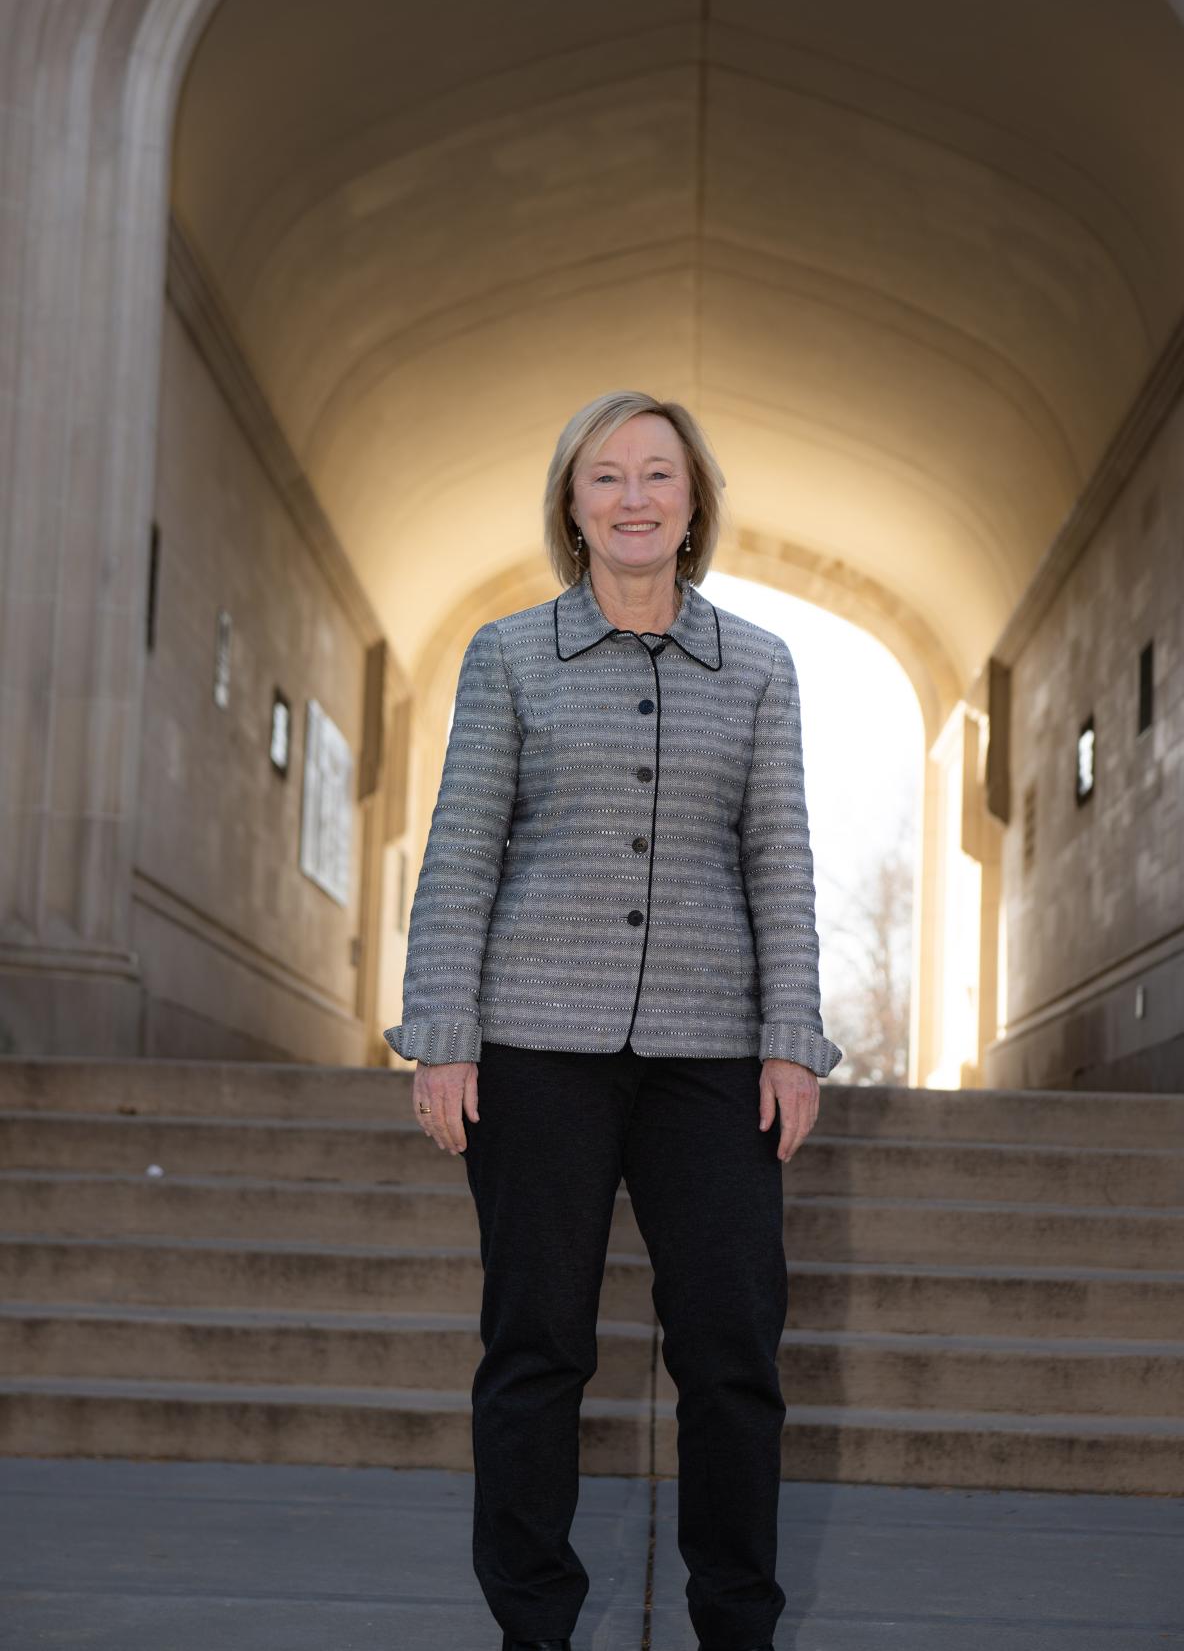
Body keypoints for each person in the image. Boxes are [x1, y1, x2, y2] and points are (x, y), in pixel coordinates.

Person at [384, 389, 843, 1651]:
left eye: (658, 475)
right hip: (535, 1050)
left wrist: (792, 1037)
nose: (634, 497)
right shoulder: (506, 657)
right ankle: (534, 1625)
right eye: (606, 478)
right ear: (572, 507)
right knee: (536, 1351)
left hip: (712, 1057)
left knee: (735, 1355)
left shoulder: (758, 665)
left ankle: (735, 1624)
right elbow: (464, 851)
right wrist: (445, 1030)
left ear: (694, 504)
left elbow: (780, 860)